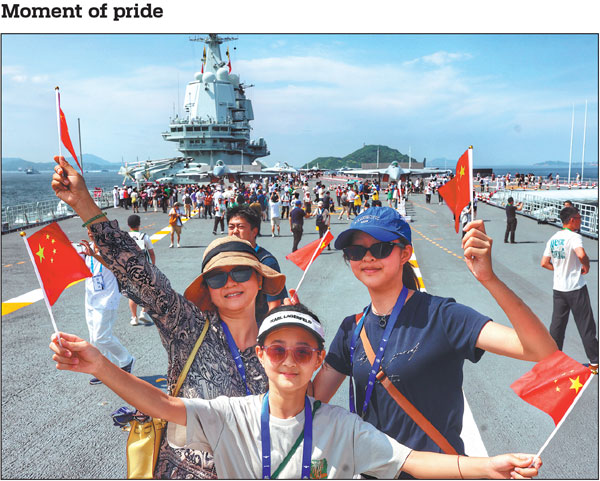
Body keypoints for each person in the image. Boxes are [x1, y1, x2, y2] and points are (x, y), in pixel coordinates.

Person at [50, 304, 543, 479]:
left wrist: (487, 467)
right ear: (260, 355)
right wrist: (99, 363)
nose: (289, 360)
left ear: (318, 364)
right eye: (278, 349)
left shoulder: (341, 427)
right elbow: (160, 403)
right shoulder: (232, 414)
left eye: (304, 353)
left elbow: (411, 461)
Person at [51, 155, 286, 478]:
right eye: (218, 277)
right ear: (207, 289)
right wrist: (84, 204)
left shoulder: (279, 344)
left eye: (242, 272)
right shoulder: (188, 326)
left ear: (260, 280)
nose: (230, 282)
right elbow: (140, 274)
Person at [312, 206, 557, 456]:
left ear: (405, 253)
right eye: (355, 251)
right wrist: (287, 332)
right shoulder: (351, 329)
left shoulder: (442, 316)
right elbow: (311, 401)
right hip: (373, 471)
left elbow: (541, 351)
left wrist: (489, 278)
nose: (368, 257)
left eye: (380, 248)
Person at [541, 206, 598, 374]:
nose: (581, 221)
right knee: (586, 325)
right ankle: (595, 362)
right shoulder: (574, 237)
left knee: (557, 327)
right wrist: (586, 265)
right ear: (572, 220)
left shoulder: (553, 239)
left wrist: (558, 270)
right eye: (579, 218)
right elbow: (581, 254)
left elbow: (544, 262)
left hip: (559, 289)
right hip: (576, 288)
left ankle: (553, 361)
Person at [77, 230, 135, 385]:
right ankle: (104, 370)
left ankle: (126, 359)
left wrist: (94, 255)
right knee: (93, 339)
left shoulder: (111, 247)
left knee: (101, 336)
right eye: (88, 229)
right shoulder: (86, 247)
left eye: (93, 228)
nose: (90, 232)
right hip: (90, 297)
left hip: (107, 298)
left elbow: (114, 266)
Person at [226, 206, 288, 316]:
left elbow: (274, 305)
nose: (235, 231)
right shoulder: (224, 258)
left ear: (254, 231)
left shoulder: (266, 262)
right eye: (231, 227)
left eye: (240, 227)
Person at [127, 214, 155, 326]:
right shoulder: (144, 236)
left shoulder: (125, 236)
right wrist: (153, 266)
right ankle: (144, 312)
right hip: (144, 267)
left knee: (133, 293)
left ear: (128, 225)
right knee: (148, 291)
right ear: (139, 224)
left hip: (130, 268)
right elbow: (151, 253)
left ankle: (134, 317)